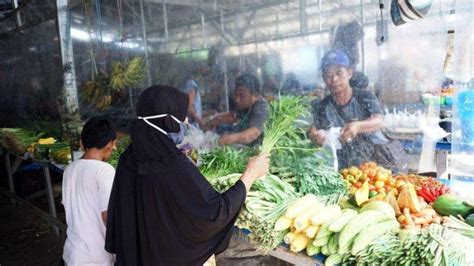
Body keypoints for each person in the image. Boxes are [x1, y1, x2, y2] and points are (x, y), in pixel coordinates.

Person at [105, 85, 269, 265]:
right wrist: (251, 173)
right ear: (166, 119)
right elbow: (213, 214)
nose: (184, 121)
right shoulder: (172, 164)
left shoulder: (127, 158)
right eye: (181, 116)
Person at [309, 49, 394, 169]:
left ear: (349, 73)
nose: (334, 80)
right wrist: (316, 136)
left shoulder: (364, 97)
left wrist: (358, 126)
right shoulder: (322, 106)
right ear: (323, 78)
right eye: (328, 75)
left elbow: (379, 121)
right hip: (339, 168)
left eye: (339, 73)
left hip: (371, 166)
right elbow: (315, 130)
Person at [61, 117, 117, 266]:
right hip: (95, 257)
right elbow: (108, 217)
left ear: (82, 142)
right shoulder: (105, 171)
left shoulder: (70, 169)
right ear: (109, 145)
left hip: (72, 254)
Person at [207, 74, 269, 146]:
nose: (237, 100)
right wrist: (213, 121)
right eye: (236, 95)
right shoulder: (245, 105)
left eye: (241, 96)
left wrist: (231, 138)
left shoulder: (261, 108)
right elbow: (232, 116)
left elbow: (253, 133)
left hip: (257, 149)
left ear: (254, 95)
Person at [180, 64, 207, 129]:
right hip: (190, 125)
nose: (207, 69)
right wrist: (201, 122)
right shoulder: (191, 84)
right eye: (205, 67)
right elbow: (189, 107)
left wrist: (203, 113)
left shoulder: (190, 84)